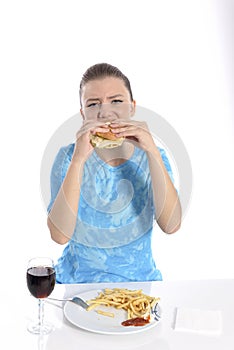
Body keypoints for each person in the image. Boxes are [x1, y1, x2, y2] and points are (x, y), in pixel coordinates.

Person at [47, 63, 182, 283]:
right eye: (93, 104)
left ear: (132, 107)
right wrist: (79, 159)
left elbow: (171, 225)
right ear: (83, 113)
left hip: (139, 284)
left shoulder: (153, 156)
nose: (105, 112)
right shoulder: (67, 158)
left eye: (116, 101)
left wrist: (152, 151)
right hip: (75, 285)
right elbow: (59, 236)